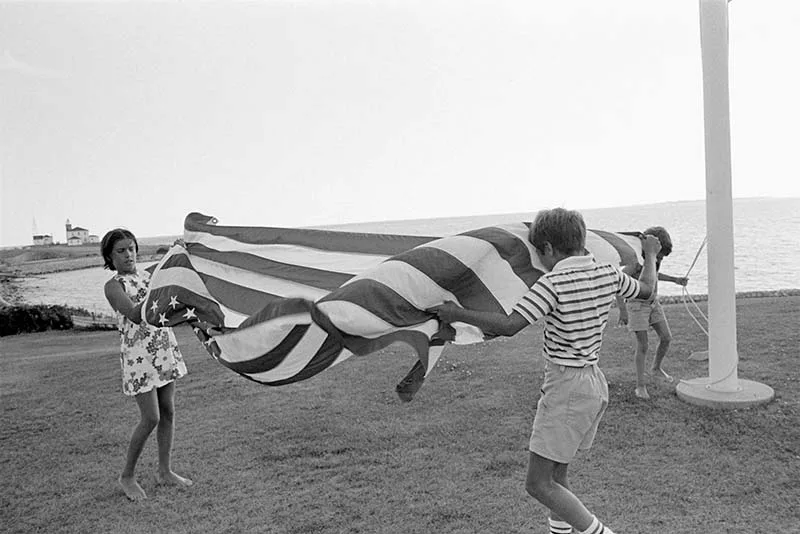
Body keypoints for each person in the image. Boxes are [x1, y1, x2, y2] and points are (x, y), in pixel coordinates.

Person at [428, 208, 661, 534]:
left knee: (538, 484)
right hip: (592, 383)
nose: (538, 259)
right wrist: (650, 255)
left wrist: (457, 313)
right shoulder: (608, 273)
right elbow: (648, 289)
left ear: (549, 248)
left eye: (538, 252)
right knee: (557, 477)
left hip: (567, 386)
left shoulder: (552, 283)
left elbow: (510, 325)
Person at [101, 228, 192, 501]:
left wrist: (178, 251)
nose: (128, 255)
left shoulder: (148, 275)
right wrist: (160, 294)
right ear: (109, 256)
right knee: (151, 417)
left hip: (162, 348)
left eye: (131, 248)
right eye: (121, 251)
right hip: (138, 356)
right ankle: (127, 476)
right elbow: (133, 313)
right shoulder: (113, 285)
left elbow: (171, 270)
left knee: (168, 411)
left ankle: (165, 471)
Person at [615, 226, 688, 400]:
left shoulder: (654, 259)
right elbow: (618, 283)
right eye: (659, 256)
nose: (660, 259)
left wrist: (675, 280)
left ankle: (656, 368)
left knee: (666, 337)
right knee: (643, 345)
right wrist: (622, 310)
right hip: (636, 306)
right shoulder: (635, 262)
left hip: (653, 303)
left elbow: (655, 274)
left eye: (661, 258)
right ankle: (640, 386)